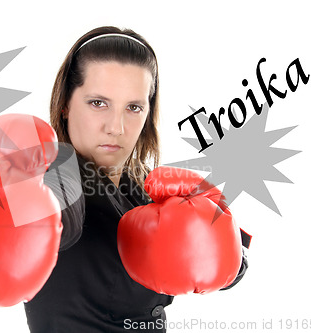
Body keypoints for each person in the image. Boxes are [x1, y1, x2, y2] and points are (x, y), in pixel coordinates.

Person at [24, 26, 248, 332]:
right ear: (65, 104)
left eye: (133, 107)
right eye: (98, 103)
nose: (116, 126)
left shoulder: (148, 186)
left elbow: (230, 266)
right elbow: (45, 218)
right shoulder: (55, 175)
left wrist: (220, 232)